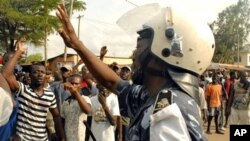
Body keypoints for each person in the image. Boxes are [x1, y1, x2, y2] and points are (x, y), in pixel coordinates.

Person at [56, 3, 215, 140]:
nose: (134, 55)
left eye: (139, 46)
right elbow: (112, 82)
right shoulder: (154, 97)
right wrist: (77, 45)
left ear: (163, 53)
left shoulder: (169, 113)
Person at [1, 41, 65, 140]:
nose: (39, 74)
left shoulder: (50, 95)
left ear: (46, 76)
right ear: (30, 76)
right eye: (35, 72)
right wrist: (19, 52)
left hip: (42, 138)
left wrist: (62, 137)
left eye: (42, 72)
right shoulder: (23, 90)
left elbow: (56, 116)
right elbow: (6, 74)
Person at [61, 74, 92, 141]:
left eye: (76, 83)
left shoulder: (85, 99)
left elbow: (88, 111)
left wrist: (75, 92)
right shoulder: (66, 102)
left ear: (80, 85)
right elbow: (62, 121)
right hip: (68, 137)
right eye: (71, 83)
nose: (73, 86)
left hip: (81, 138)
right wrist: (63, 137)